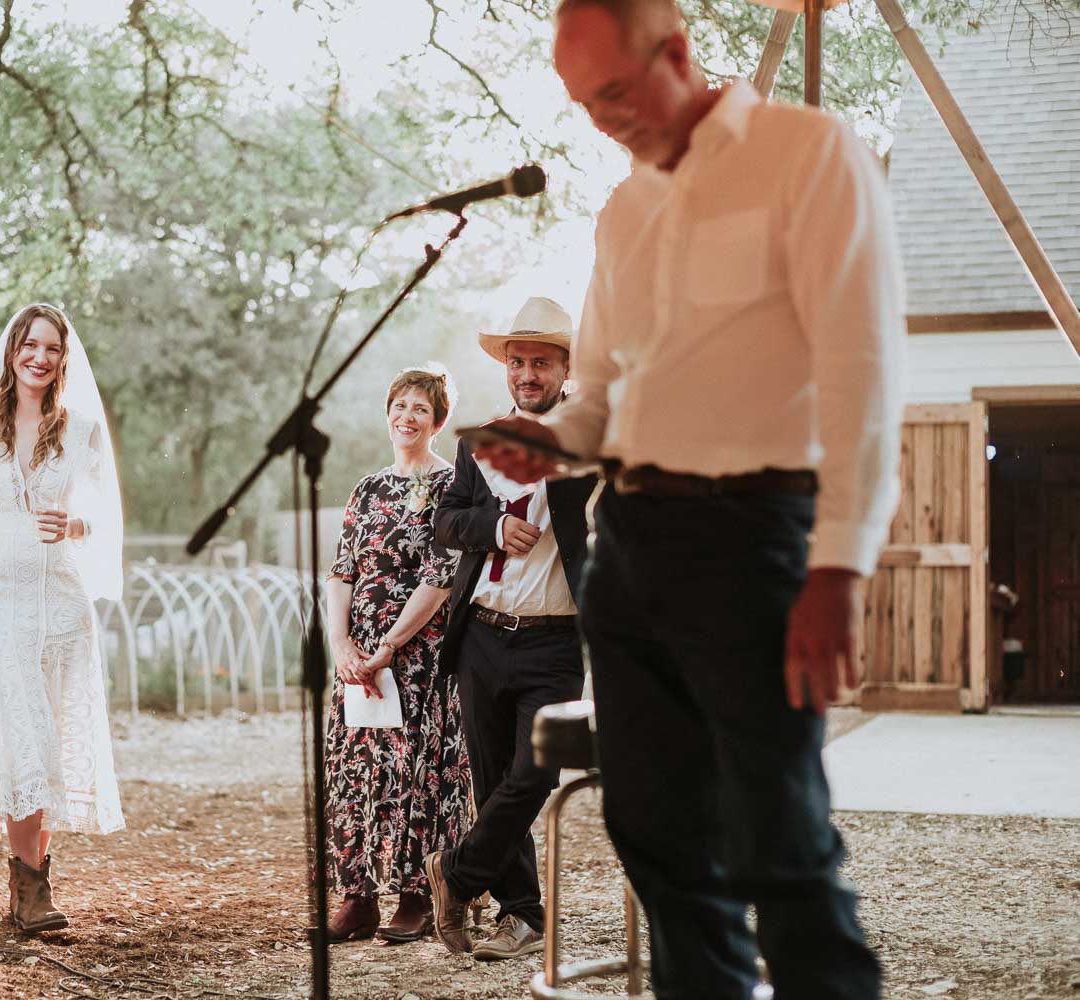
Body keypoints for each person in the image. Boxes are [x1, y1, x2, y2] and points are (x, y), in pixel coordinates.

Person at [468, 1, 905, 996]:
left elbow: (863, 375)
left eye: (614, 93)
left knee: (775, 838)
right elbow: (606, 393)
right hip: (626, 544)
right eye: (582, 103)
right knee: (655, 834)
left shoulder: (811, 154)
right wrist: (551, 440)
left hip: (756, 538)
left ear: (676, 52)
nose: (601, 120)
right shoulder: (624, 210)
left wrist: (838, 564)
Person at [423, 297, 598, 960]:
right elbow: (447, 521)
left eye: (542, 362)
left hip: (556, 638)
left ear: (564, 367)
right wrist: (493, 528)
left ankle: (457, 873)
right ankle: (523, 914)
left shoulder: (587, 438)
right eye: (518, 362)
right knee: (496, 783)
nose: (528, 373)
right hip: (483, 636)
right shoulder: (481, 440)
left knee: (537, 771)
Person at [0, 303, 125, 933]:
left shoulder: (79, 428)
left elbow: (106, 516)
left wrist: (76, 523)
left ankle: (33, 883)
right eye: (30, 345)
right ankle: (29, 886)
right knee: (18, 731)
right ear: (12, 351)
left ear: (63, 358)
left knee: (50, 737)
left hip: (63, 596)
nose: (40, 357)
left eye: (52, 348)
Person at [322, 366, 470, 944]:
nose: (407, 418)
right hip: (359, 654)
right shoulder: (368, 488)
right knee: (357, 768)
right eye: (400, 406)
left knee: (416, 769)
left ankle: (418, 895)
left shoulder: (453, 485)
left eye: (420, 410)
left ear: (437, 422)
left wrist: (389, 647)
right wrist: (343, 645)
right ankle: (357, 896)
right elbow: (342, 571)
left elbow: (441, 576)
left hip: (420, 651)